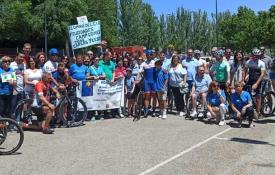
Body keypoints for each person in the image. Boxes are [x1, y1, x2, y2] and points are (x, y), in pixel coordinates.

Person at [244, 48, 266, 117]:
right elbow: (244, 70)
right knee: (247, 95)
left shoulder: (261, 63)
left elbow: (262, 74)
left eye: (257, 56)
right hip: (250, 80)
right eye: (254, 56)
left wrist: (256, 84)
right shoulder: (248, 62)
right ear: (252, 55)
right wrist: (244, 78)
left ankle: (258, 112)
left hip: (258, 81)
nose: (256, 57)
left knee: (258, 97)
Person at [137, 49, 156, 117]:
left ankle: (153, 110)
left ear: (151, 55)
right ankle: (146, 110)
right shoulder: (143, 64)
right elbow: (139, 73)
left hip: (153, 81)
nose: (148, 56)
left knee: (154, 96)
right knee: (147, 96)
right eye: (147, 55)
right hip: (147, 81)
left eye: (150, 55)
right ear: (146, 55)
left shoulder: (154, 62)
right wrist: (137, 79)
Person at [10, 53, 26, 117]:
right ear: (16, 57)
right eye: (20, 57)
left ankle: (17, 122)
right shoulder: (12, 65)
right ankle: (11, 122)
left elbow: (23, 76)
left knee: (19, 106)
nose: (22, 58)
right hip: (14, 89)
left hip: (21, 89)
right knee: (12, 106)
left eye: (23, 57)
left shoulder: (23, 65)